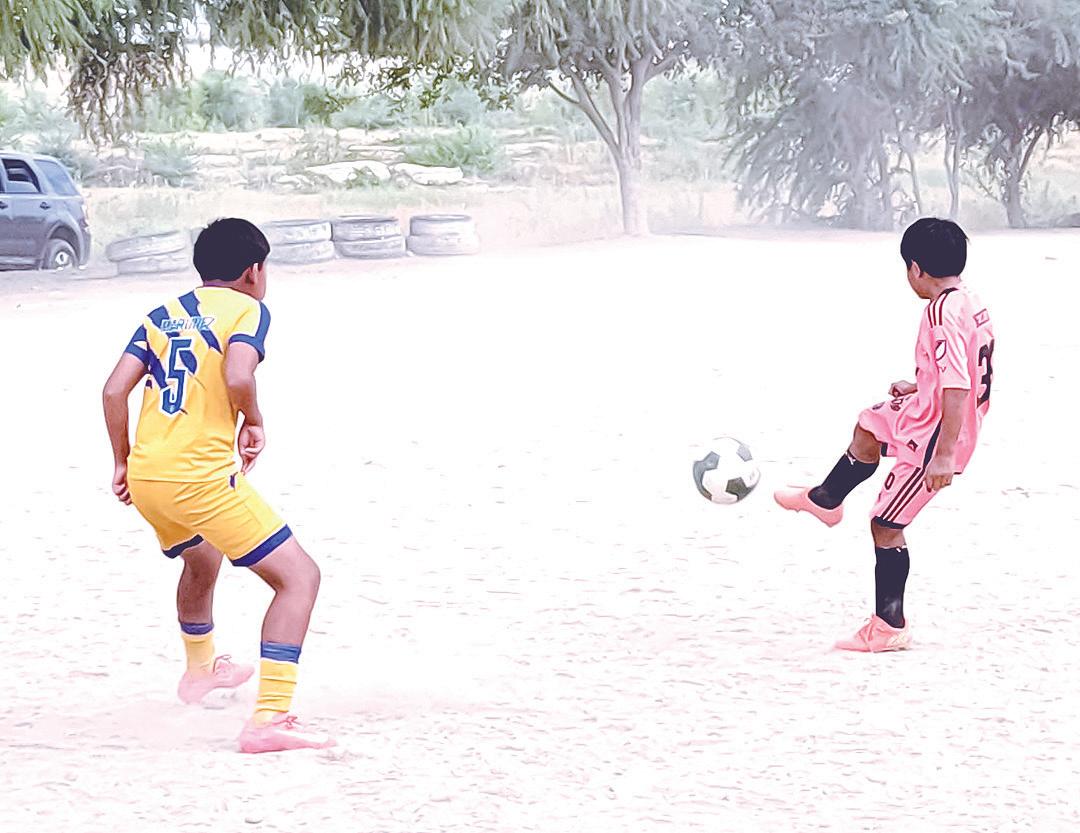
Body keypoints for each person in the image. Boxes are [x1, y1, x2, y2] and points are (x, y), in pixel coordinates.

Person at [102, 218, 334, 752]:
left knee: (202, 557)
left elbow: (114, 391)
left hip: (149, 474)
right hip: (198, 478)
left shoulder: (163, 314)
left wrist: (121, 461)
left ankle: (200, 669)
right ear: (254, 271)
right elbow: (237, 375)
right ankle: (270, 719)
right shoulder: (247, 309)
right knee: (299, 578)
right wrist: (253, 419)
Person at [774, 218, 995, 651]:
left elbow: (959, 384)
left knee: (885, 524)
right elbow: (965, 366)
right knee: (869, 424)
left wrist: (944, 455)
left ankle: (889, 626)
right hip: (927, 409)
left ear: (916, 269)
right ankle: (826, 500)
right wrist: (921, 384)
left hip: (937, 435)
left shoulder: (940, 312)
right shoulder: (969, 301)